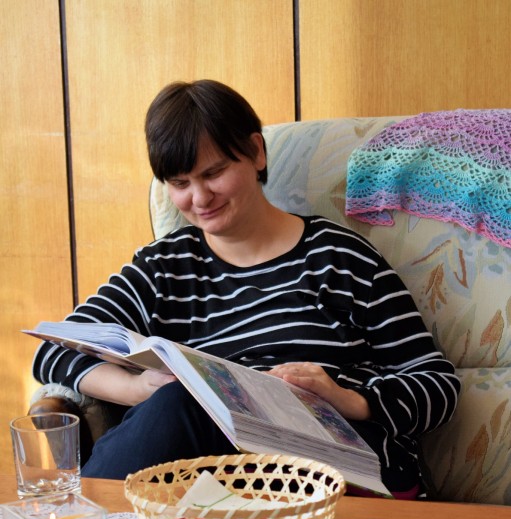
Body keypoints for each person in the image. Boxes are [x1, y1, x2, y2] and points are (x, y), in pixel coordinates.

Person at [32, 79, 460, 497]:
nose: (200, 198)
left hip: (342, 471)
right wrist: (136, 389)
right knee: (178, 402)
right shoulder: (163, 268)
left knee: (179, 405)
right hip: (221, 481)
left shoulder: (338, 257)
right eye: (180, 183)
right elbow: (53, 350)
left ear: (256, 152)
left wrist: (346, 398)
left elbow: (437, 384)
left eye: (214, 173)